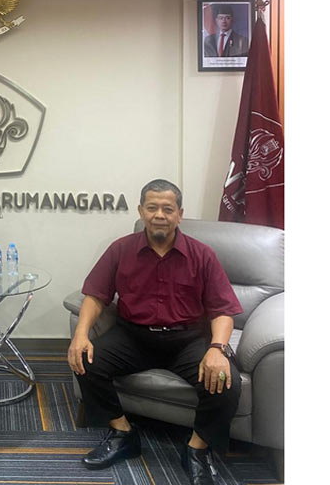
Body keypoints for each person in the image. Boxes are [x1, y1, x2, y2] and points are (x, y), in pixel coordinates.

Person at [67, 179, 242, 485]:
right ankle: (123, 434)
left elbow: (222, 310)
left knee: (226, 381)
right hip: (133, 336)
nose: (159, 215)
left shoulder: (202, 255)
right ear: (141, 211)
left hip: (187, 339)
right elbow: (95, 296)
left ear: (179, 214)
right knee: (84, 360)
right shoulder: (120, 250)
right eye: (152, 207)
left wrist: (217, 349)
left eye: (167, 209)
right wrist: (80, 335)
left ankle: (197, 449)